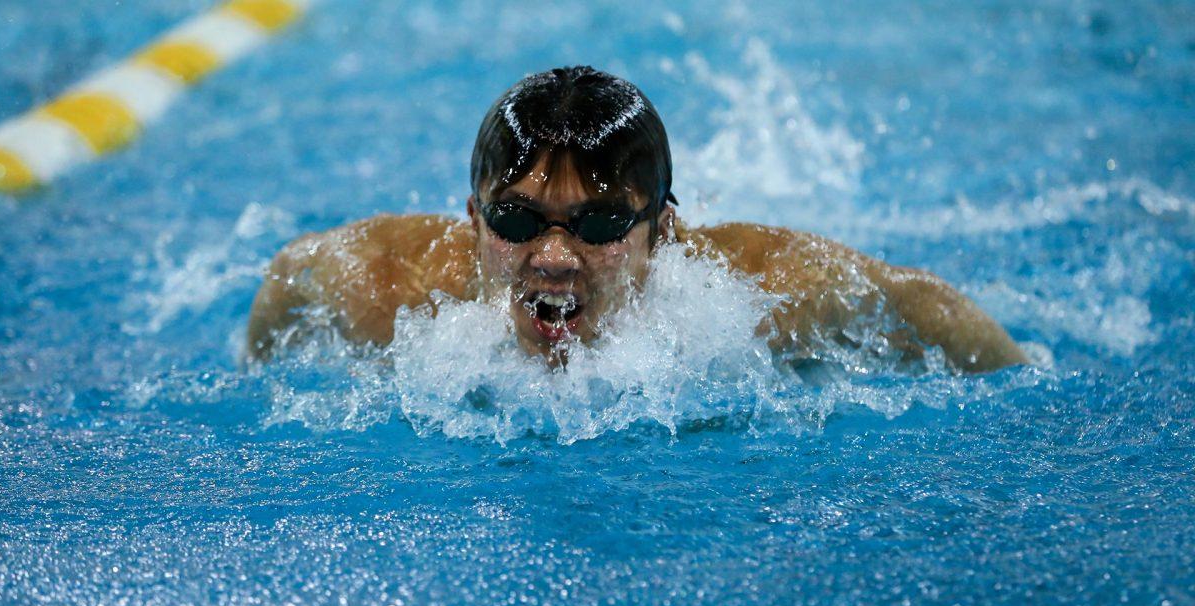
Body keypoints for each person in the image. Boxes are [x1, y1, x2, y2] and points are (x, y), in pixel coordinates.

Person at [246, 66, 1026, 372]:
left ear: (665, 235)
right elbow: (289, 275)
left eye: (596, 225)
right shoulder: (391, 290)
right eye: (517, 222)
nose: (552, 257)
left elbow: (925, 306)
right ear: (471, 221)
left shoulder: (760, 297)